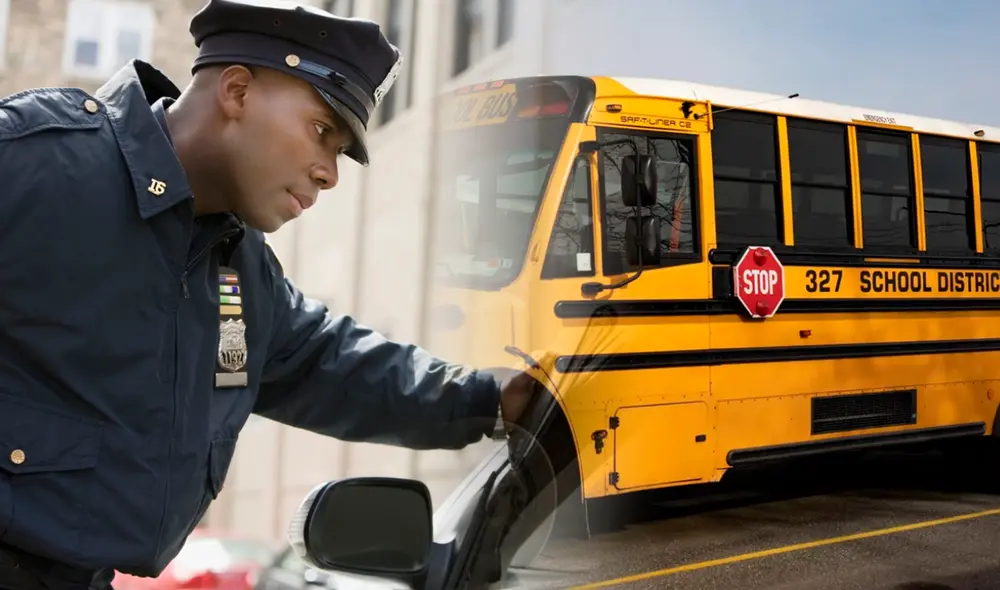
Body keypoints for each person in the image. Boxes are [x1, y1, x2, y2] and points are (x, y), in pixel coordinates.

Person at [0, 0, 537, 588]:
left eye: (339, 151)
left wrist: (490, 398)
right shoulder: (38, 160)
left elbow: (331, 365)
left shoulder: (240, 271)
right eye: (322, 131)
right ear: (237, 91)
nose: (330, 172)